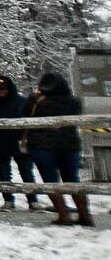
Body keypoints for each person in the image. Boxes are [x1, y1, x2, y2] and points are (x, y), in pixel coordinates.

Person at [25, 72, 92, 227]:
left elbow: (24, 115)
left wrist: (33, 99)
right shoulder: (74, 101)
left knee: (50, 181)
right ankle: (84, 214)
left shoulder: (37, 101)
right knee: (73, 180)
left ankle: (63, 214)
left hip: (42, 145)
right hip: (69, 145)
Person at [0, 75, 39, 210]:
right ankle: (8, 200)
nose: (0, 91)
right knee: (4, 173)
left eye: (3, 89)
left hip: (20, 141)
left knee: (27, 172)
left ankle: (33, 200)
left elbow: (31, 118)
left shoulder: (22, 102)